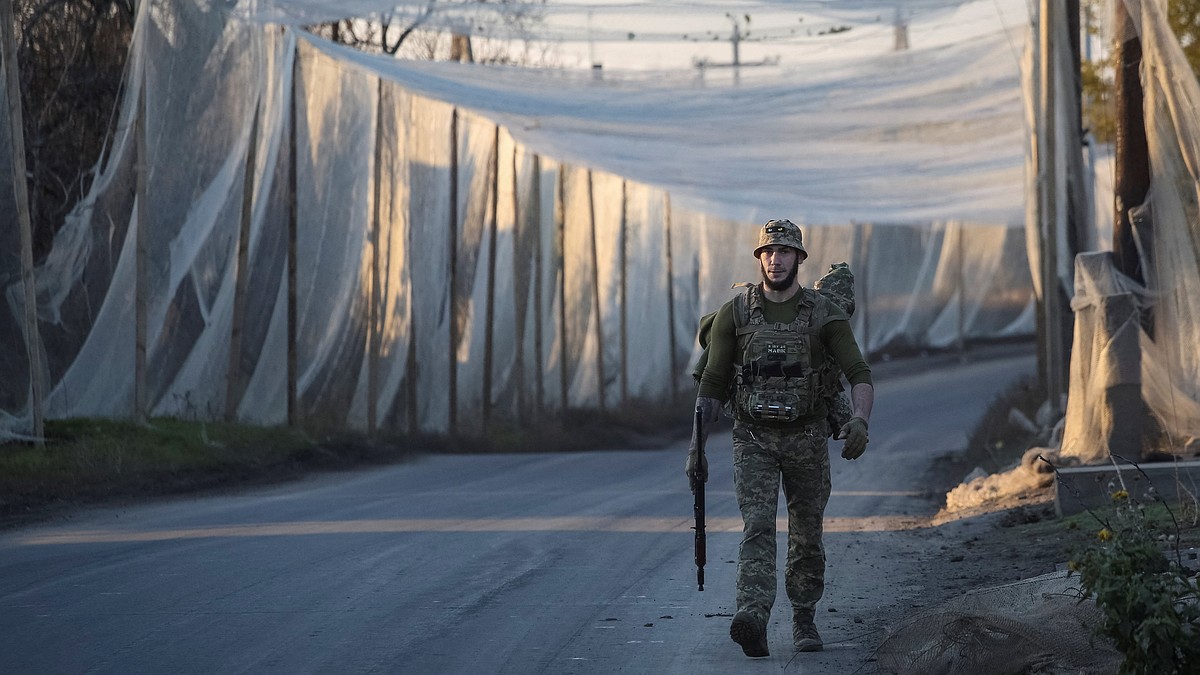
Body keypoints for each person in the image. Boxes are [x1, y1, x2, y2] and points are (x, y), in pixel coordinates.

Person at [686, 219, 873, 658]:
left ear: (799, 259)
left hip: (807, 438)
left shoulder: (824, 313)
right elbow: (712, 384)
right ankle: (752, 616)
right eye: (768, 252)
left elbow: (858, 373)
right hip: (753, 437)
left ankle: (804, 617)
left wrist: (860, 419)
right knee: (757, 527)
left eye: (785, 252)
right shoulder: (736, 312)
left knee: (807, 532)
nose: (775, 259)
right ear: (759, 258)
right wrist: (697, 447)